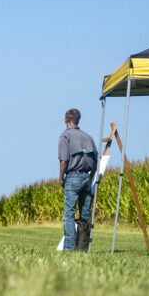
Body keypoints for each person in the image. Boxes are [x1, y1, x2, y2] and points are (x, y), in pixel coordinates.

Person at [58, 108, 99, 252]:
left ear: (65, 120)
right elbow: (96, 161)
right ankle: (83, 248)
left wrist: (61, 178)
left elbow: (64, 161)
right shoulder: (88, 137)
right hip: (86, 177)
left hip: (72, 176)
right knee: (85, 214)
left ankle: (69, 248)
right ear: (78, 120)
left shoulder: (65, 136)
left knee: (69, 214)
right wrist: (90, 175)